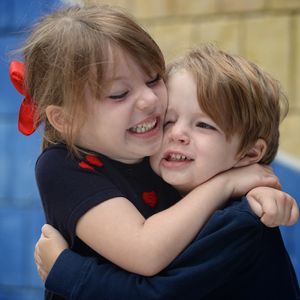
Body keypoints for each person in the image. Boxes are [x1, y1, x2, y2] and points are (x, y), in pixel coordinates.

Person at [34, 44, 300, 300]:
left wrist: (66, 270)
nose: (177, 134)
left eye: (204, 125)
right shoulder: (165, 193)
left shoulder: (241, 222)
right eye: (168, 121)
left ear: (250, 154)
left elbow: (157, 295)